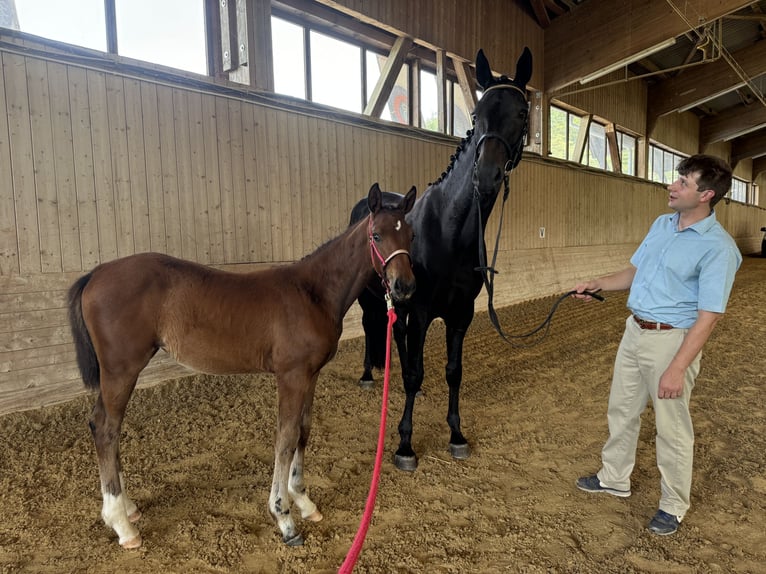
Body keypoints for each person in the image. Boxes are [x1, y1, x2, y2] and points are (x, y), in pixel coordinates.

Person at [572, 154, 742, 536]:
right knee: (621, 410)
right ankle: (614, 478)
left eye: (684, 182)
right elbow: (636, 271)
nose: (673, 186)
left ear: (706, 195)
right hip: (635, 331)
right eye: (677, 178)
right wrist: (599, 282)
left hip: (671, 339)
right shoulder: (662, 225)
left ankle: (673, 504)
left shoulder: (719, 248)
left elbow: (709, 315)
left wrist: (678, 366)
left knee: (672, 426)